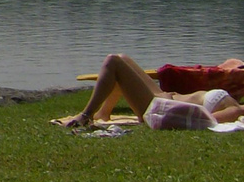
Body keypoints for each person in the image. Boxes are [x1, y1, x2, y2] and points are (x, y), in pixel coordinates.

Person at [62, 53, 244, 128]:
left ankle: (86, 115)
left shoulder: (235, 110)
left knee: (114, 61)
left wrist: (170, 109)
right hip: (165, 98)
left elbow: (207, 122)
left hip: (160, 107)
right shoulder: (234, 107)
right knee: (121, 59)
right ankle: (102, 113)